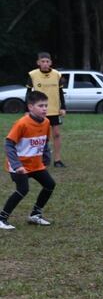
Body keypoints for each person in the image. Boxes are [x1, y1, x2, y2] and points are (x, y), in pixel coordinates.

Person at [1, 91, 56, 230]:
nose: (44, 108)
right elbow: (9, 143)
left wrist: (46, 158)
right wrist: (17, 165)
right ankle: (2, 218)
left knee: (49, 184)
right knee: (23, 189)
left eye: (46, 105)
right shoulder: (22, 123)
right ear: (30, 107)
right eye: (40, 105)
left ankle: (35, 215)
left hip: (36, 164)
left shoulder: (47, 122)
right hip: (19, 166)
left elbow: (45, 141)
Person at [26, 52, 67, 168]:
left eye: (47, 61)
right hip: (38, 111)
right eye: (42, 61)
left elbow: (60, 92)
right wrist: (27, 109)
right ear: (38, 63)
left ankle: (57, 160)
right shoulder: (33, 75)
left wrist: (63, 107)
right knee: (39, 136)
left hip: (54, 110)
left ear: (51, 63)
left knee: (57, 134)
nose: (45, 64)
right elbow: (28, 93)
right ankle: (38, 159)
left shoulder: (57, 75)